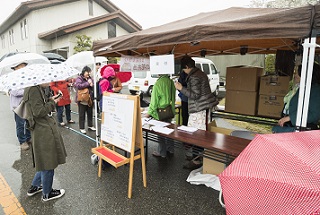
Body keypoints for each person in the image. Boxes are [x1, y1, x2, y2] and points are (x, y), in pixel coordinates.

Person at [23, 83, 66, 202]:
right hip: (42, 130)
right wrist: (53, 103)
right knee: (48, 161)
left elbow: (37, 105)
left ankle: (35, 187)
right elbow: (39, 111)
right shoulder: (33, 89)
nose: (49, 82)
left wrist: (50, 99)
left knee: (43, 160)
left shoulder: (34, 88)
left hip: (39, 129)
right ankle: (47, 193)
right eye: (46, 79)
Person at [175, 55, 218, 169]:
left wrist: (181, 88)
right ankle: (196, 157)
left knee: (197, 135)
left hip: (200, 109)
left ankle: (197, 160)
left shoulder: (194, 77)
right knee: (197, 134)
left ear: (187, 66)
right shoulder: (199, 73)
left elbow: (195, 95)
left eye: (184, 69)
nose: (184, 71)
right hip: (202, 107)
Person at [272, 63, 320, 133]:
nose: (295, 75)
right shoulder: (299, 87)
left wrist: (290, 118)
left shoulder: (316, 90)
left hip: (302, 129)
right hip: (290, 125)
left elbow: (314, 114)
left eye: (298, 73)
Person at [146, 74, 176, 158]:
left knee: (160, 132)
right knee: (169, 131)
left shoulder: (158, 83)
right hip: (169, 111)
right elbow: (173, 97)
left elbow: (154, 102)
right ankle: (170, 149)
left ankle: (161, 152)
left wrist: (149, 113)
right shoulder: (170, 81)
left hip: (160, 113)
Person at [9, 62, 31, 151]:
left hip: (27, 104)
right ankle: (22, 141)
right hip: (18, 106)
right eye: (22, 66)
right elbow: (15, 92)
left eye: (24, 66)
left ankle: (28, 137)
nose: (24, 67)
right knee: (20, 124)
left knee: (29, 122)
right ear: (16, 67)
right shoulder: (12, 78)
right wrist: (27, 90)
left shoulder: (25, 77)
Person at [74, 66, 96, 134]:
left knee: (90, 113)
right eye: (87, 72)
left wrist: (92, 85)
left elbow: (92, 87)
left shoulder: (90, 78)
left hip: (89, 99)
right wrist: (87, 83)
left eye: (89, 72)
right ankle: (82, 127)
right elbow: (78, 86)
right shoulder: (79, 78)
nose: (88, 74)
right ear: (84, 71)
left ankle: (90, 125)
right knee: (82, 114)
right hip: (82, 99)